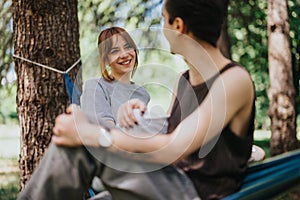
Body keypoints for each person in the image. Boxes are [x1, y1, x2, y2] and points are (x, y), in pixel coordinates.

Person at [18, 0, 255, 199]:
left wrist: (94, 134)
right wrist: (138, 117)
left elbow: (173, 148)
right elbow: (173, 132)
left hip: (191, 191)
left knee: (84, 138)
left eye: (164, 19)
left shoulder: (233, 80)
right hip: (167, 179)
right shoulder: (184, 79)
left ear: (179, 26)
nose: (163, 28)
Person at [81, 26, 151, 196]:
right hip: (110, 167)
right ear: (105, 59)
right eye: (115, 51)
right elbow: (102, 137)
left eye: (128, 47)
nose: (125, 54)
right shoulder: (95, 87)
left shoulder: (143, 94)